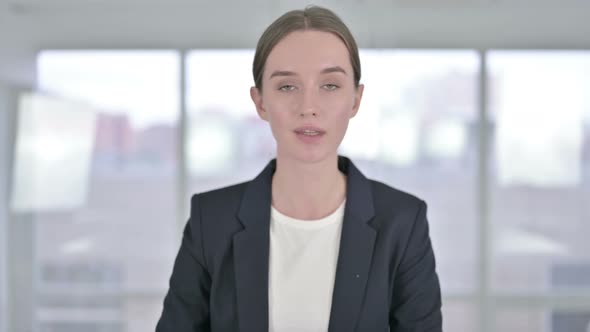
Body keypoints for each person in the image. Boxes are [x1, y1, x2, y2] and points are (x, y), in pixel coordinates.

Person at [156, 5, 442, 332]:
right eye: (287, 86)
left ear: (355, 100)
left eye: (330, 85)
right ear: (260, 101)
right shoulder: (212, 220)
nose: (308, 107)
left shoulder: (403, 222)